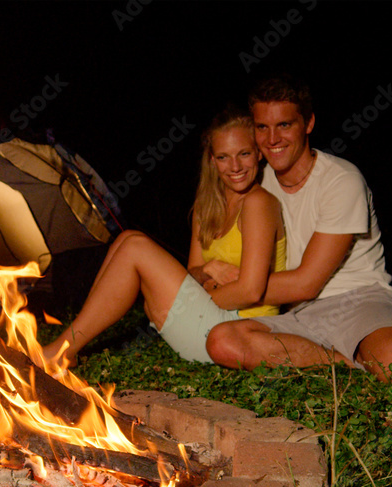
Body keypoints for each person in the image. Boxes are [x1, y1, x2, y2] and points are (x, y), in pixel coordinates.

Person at [205, 75, 392, 381]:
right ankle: (345, 365)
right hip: (299, 314)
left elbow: (306, 284)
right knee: (223, 341)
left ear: (309, 123)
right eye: (262, 127)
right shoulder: (257, 183)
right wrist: (209, 274)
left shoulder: (342, 180)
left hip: (360, 301)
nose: (272, 139)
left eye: (284, 125)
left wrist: (232, 289)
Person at [42, 106, 286, 367]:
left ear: (259, 154)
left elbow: (250, 290)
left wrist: (189, 300)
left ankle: (61, 351)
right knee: (126, 239)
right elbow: (193, 271)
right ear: (212, 161)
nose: (235, 166)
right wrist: (209, 270)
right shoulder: (206, 207)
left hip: (234, 330)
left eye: (244, 154)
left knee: (135, 245)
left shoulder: (259, 202)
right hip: (208, 318)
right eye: (224, 157)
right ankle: (69, 344)